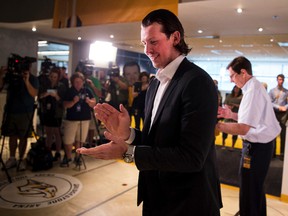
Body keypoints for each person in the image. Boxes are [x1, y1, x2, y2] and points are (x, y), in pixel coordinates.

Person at [77, 9, 222, 215]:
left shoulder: (197, 82)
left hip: (188, 203)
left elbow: (191, 157)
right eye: (144, 43)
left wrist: (127, 153)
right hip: (156, 196)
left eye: (153, 42)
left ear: (175, 38)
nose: (147, 50)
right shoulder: (155, 84)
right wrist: (128, 135)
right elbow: (157, 141)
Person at [217, 56, 281, 216]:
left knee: (250, 187)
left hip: (258, 148)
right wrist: (231, 115)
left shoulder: (253, 91)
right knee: (254, 187)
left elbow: (244, 128)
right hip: (260, 147)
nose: (231, 80)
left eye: (232, 76)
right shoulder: (253, 88)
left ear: (243, 72)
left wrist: (216, 126)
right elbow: (253, 119)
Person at [0, 61, 39, 171]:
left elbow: (34, 93)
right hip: (11, 110)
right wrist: (1, 75)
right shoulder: (11, 77)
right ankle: (12, 158)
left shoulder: (33, 79)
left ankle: (21, 159)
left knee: (23, 136)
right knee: (12, 135)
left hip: (25, 111)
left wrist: (26, 81)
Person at [60, 72, 96, 166]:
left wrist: (89, 101)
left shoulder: (87, 90)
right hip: (71, 119)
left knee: (80, 139)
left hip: (85, 119)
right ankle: (68, 157)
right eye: (76, 82)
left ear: (83, 82)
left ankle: (78, 156)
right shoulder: (69, 91)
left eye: (80, 82)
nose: (78, 84)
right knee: (68, 140)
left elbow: (94, 102)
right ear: (72, 82)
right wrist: (73, 102)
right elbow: (65, 105)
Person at [38, 67, 67, 161]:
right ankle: (48, 150)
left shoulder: (61, 86)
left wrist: (56, 96)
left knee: (57, 133)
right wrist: (45, 94)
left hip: (57, 112)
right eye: (51, 76)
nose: (53, 78)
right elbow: (39, 96)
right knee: (48, 132)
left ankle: (58, 152)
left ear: (58, 77)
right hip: (47, 111)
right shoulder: (45, 85)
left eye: (55, 77)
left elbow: (63, 101)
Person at [269, 74, 288, 159]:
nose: (281, 81)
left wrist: (285, 107)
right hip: (274, 114)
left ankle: (282, 153)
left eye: (282, 79)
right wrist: (278, 107)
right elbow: (269, 102)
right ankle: (272, 152)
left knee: (283, 134)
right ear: (277, 80)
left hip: (283, 115)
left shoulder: (286, 92)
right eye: (280, 79)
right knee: (273, 134)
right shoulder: (272, 91)